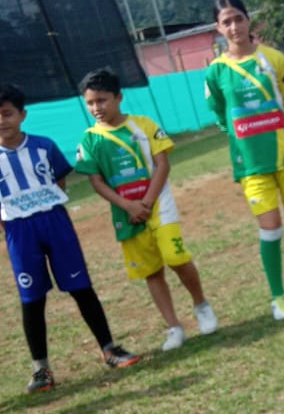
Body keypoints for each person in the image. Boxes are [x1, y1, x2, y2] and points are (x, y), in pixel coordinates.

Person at [0, 81, 140, 392]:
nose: (1, 120)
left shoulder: (43, 146)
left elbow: (59, 180)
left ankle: (109, 348)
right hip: (18, 230)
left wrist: (42, 204)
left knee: (81, 287)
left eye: (7, 113)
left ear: (22, 115)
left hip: (54, 221)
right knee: (32, 299)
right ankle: (41, 369)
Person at [74, 68, 218, 351]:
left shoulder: (144, 125)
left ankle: (201, 304)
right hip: (126, 214)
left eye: (102, 100)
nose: (96, 108)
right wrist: (127, 205)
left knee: (175, 256)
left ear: (118, 97)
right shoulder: (89, 139)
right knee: (151, 271)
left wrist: (147, 202)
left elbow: (162, 164)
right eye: (90, 103)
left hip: (158, 204)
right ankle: (174, 327)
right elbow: (96, 182)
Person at [203, 0, 284, 321]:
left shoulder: (274, 58)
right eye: (226, 21)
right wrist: (247, 140)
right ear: (218, 28)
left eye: (238, 18)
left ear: (248, 19)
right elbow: (220, 115)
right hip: (251, 164)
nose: (234, 26)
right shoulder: (215, 71)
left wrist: (278, 135)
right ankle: (278, 297)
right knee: (270, 227)